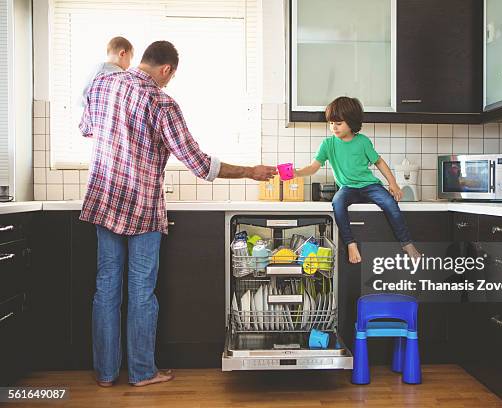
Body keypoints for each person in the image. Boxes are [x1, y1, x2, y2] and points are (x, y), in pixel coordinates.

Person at [79, 40, 276, 387]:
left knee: (106, 287)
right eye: (170, 77)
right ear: (167, 69)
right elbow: (199, 163)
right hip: (141, 207)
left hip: (105, 198)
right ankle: (142, 373)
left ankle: (106, 374)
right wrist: (250, 171)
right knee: (141, 291)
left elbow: (86, 128)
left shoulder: (102, 84)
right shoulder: (161, 101)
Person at [295, 96, 421, 264]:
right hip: (347, 188)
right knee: (337, 203)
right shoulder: (327, 144)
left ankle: (407, 243)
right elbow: (313, 167)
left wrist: (393, 183)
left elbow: (379, 162)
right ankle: (350, 243)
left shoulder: (362, 141)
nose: (334, 127)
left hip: (370, 186)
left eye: (338, 123)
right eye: (331, 123)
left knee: (390, 203)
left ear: (351, 122)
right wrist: (296, 173)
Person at [80, 36, 134, 107]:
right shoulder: (101, 69)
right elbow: (84, 96)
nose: (130, 64)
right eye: (130, 59)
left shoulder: (99, 69)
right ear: (122, 54)